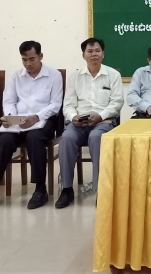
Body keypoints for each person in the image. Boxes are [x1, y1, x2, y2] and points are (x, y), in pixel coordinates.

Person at [0, 41, 63, 211]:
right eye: (24, 60)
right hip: (18, 121)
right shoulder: (15, 76)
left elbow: (55, 104)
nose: (28, 63)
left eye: (32, 59)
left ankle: (40, 190)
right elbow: (9, 101)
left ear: (40, 56)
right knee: (3, 141)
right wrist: (10, 117)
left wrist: (36, 117)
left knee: (34, 139)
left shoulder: (54, 75)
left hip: (43, 120)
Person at [55, 38, 123, 209]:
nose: (94, 54)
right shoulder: (75, 77)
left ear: (103, 53)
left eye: (97, 51)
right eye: (90, 51)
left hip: (103, 122)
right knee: (66, 139)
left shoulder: (113, 75)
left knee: (96, 138)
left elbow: (117, 103)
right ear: (83, 55)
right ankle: (67, 189)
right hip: (78, 123)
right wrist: (73, 117)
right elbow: (68, 105)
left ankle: (101, 190)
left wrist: (100, 116)